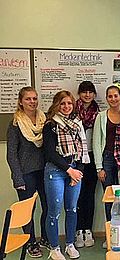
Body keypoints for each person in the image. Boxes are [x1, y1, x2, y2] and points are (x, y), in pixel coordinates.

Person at [43, 90, 89, 259]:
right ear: (57, 105)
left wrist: (78, 173)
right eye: (62, 103)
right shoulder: (50, 125)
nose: (66, 106)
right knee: (54, 211)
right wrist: (69, 171)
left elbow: (83, 150)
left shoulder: (77, 123)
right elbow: (49, 153)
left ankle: (70, 244)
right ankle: (54, 248)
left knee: (72, 209)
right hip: (56, 172)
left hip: (75, 170)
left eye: (69, 103)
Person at [6, 87, 49, 258]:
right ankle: (31, 242)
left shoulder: (43, 120)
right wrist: (17, 177)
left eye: (35, 98)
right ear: (21, 101)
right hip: (25, 174)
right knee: (27, 211)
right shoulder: (15, 123)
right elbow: (11, 153)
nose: (32, 102)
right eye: (28, 99)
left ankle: (45, 237)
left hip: (44, 171)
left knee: (48, 206)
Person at [93, 86, 120, 223]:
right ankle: (110, 232)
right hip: (107, 158)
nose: (113, 99)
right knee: (109, 196)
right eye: (110, 96)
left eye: (115, 96)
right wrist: (99, 167)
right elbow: (96, 142)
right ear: (107, 99)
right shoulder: (101, 117)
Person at [74, 81, 100, 248]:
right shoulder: (72, 111)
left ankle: (88, 230)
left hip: (92, 157)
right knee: (76, 196)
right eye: (84, 92)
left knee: (89, 195)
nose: (87, 95)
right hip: (76, 159)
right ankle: (78, 231)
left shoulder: (98, 113)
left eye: (90, 92)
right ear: (79, 94)